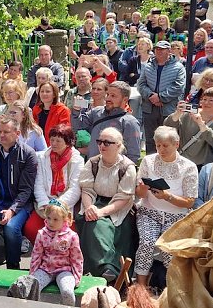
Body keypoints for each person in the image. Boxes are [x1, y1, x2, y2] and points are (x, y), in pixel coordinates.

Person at [63, 126, 137, 282]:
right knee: (89, 222)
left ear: (118, 145)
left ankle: (111, 269)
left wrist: (101, 212)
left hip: (119, 207)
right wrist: (90, 207)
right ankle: (103, 269)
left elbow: (123, 198)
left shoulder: (127, 167)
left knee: (102, 225)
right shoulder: (93, 163)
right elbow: (87, 189)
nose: (102, 145)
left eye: (107, 143)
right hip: (95, 201)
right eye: (99, 142)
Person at [133, 126, 198, 286]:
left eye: (165, 145)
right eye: (158, 145)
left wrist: (167, 196)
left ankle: (172, 289)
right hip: (149, 213)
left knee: (170, 249)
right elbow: (140, 194)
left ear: (176, 144)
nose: (161, 149)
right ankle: (141, 288)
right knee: (147, 243)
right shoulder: (148, 161)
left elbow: (190, 201)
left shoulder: (188, 167)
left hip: (177, 217)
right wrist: (142, 189)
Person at [0, 118, 38, 269]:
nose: (1, 135)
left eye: (6, 132)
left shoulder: (28, 154)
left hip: (20, 204)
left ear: (17, 133)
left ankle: (13, 266)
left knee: (11, 228)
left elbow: (26, 190)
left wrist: (12, 211)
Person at [25, 124, 83, 245]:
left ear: (68, 142)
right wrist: (46, 204)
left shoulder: (77, 160)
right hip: (45, 203)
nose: (54, 143)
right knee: (31, 229)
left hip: (65, 205)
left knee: (66, 236)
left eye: (58, 141)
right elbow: (38, 184)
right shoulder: (42, 157)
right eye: (52, 140)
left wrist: (57, 206)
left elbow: (75, 188)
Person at [29, 199, 83, 306]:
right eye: (48, 218)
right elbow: (36, 254)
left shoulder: (72, 236)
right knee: (32, 287)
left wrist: (77, 277)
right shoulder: (42, 234)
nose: (50, 222)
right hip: (45, 269)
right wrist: (33, 272)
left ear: (64, 219)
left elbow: (76, 258)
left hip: (64, 270)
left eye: (55, 219)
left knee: (67, 291)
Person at [137, 40, 186, 154]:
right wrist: (150, 95)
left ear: (169, 51)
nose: (159, 51)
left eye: (162, 49)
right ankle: (151, 161)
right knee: (151, 139)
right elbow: (140, 84)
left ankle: (168, 160)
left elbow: (178, 87)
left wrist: (160, 97)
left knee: (168, 138)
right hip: (149, 108)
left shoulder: (178, 67)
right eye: (157, 49)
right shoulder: (148, 66)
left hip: (168, 109)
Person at [74, 81, 142, 162]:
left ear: (125, 99)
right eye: (107, 94)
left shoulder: (130, 122)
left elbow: (133, 154)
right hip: (92, 165)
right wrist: (76, 111)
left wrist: (124, 169)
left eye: (113, 96)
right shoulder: (96, 112)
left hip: (115, 168)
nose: (108, 99)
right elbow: (76, 126)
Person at [164, 92, 213, 167]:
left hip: (201, 165)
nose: (206, 103)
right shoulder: (189, 114)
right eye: (204, 99)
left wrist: (201, 124)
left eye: (211, 100)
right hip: (180, 160)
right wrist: (177, 114)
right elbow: (167, 127)